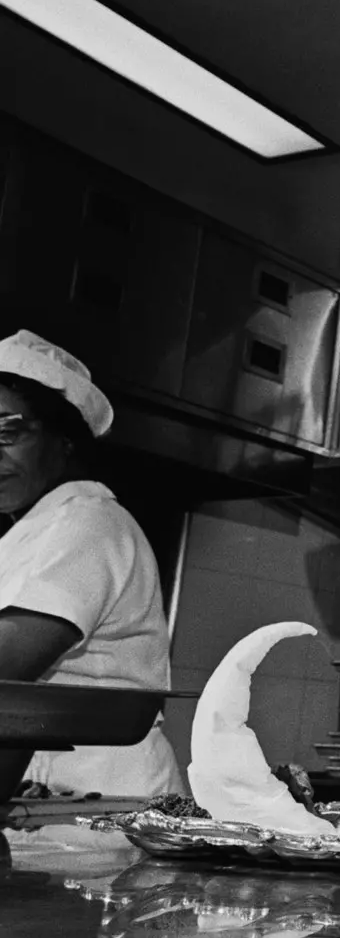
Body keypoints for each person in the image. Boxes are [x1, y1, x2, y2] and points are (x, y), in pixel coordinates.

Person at [0, 330, 183, 798]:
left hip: (102, 803)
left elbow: (9, 659)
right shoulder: (31, 531)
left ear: (64, 439)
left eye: (7, 432)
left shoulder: (89, 521)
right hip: (48, 797)